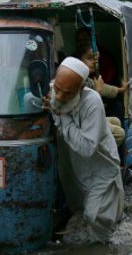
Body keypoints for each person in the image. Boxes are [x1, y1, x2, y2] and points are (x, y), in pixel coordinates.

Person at [43, 57, 125, 241]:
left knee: (97, 218)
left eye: (68, 93)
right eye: (57, 89)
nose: (61, 96)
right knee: (79, 211)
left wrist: (61, 116)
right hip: (74, 166)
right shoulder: (53, 91)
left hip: (100, 167)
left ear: (81, 89)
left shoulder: (92, 102)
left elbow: (87, 147)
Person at [75, 42, 127, 145]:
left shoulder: (88, 79)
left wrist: (121, 89)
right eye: (89, 58)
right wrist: (98, 91)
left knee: (116, 121)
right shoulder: (78, 81)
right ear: (79, 61)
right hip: (83, 123)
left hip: (88, 119)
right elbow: (87, 109)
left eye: (95, 59)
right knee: (120, 134)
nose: (94, 62)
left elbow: (106, 89)